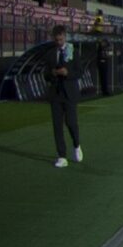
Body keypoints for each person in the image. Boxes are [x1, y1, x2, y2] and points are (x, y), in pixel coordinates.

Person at [40, 23, 83, 168]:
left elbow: (80, 72)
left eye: (60, 39)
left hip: (70, 93)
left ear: (65, 37)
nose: (58, 42)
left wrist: (68, 73)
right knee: (57, 126)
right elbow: (45, 74)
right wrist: (52, 74)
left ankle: (76, 145)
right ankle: (62, 156)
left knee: (71, 122)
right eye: (56, 40)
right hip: (56, 94)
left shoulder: (74, 52)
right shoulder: (50, 54)